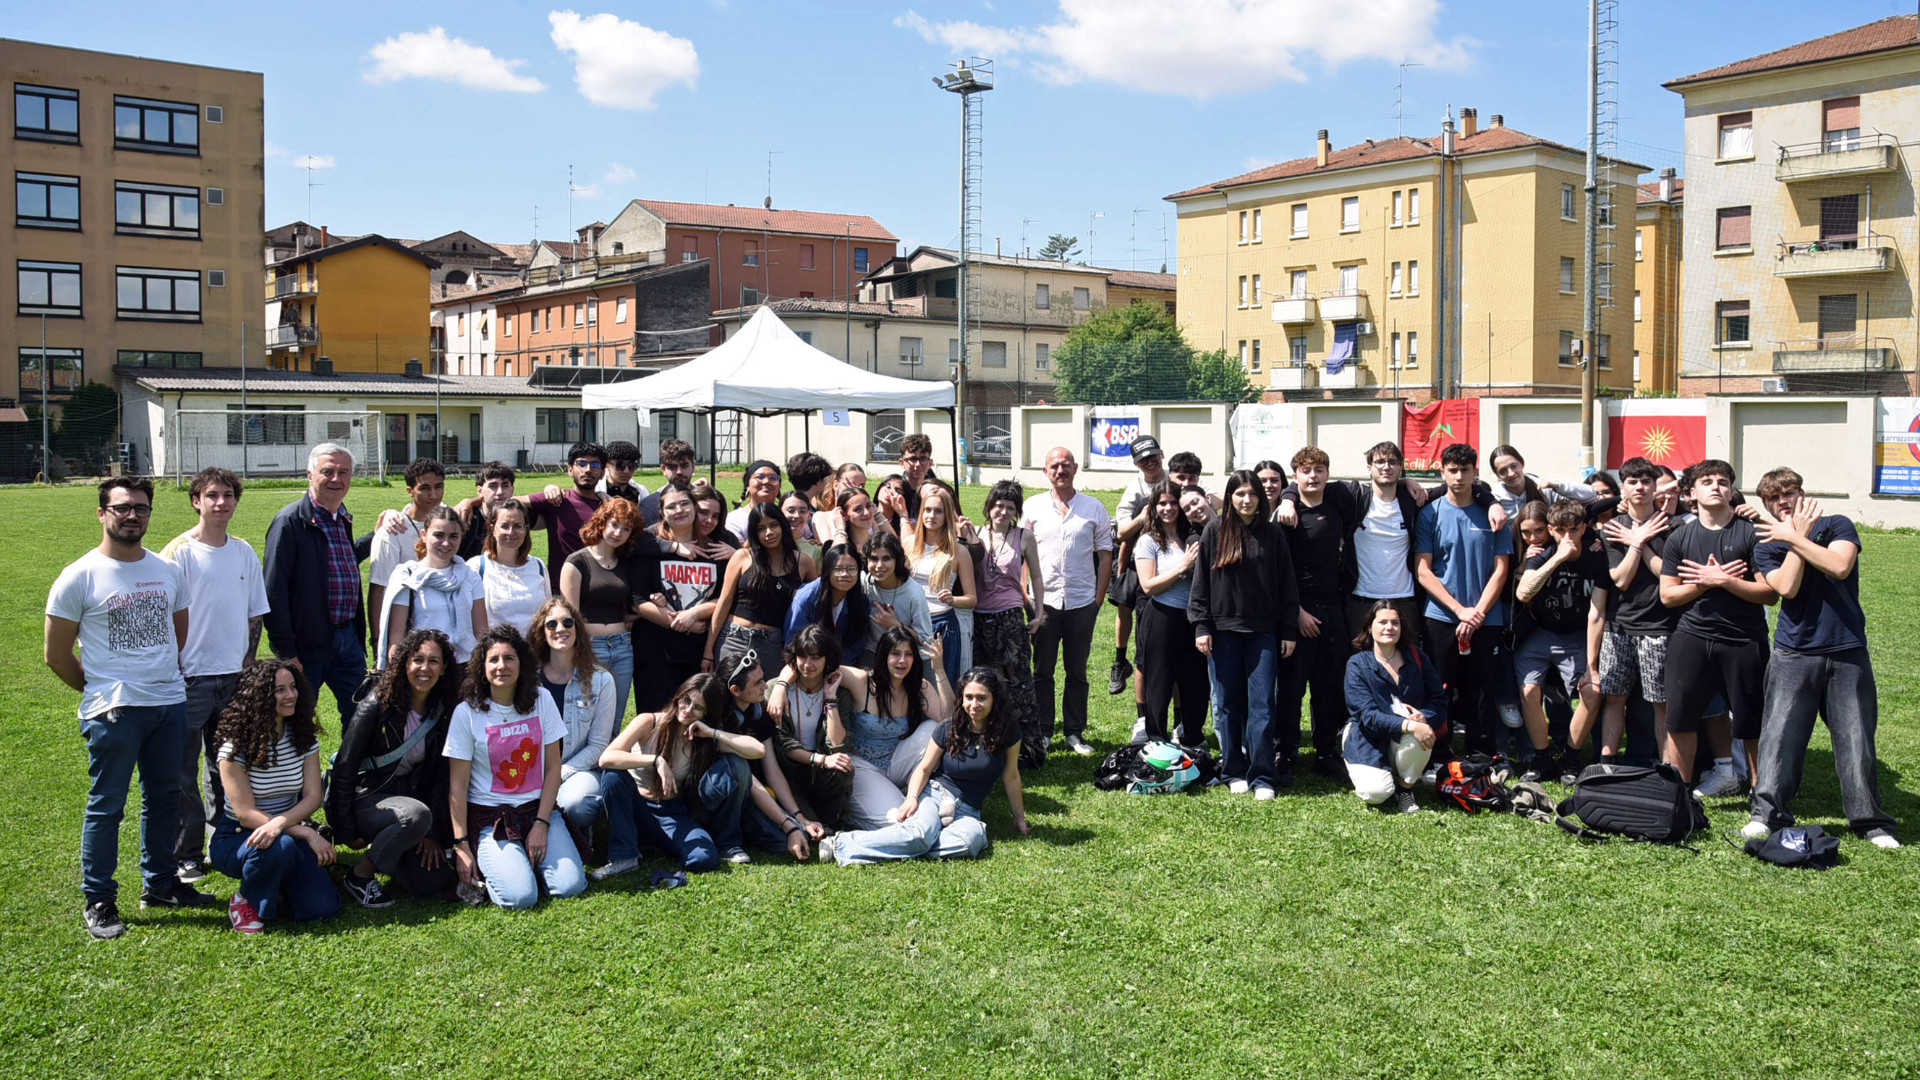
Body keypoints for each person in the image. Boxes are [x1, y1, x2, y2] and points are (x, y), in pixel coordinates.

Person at [47, 476, 217, 939]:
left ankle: (160, 885)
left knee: (165, 800)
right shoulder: (79, 576)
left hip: (169, 703)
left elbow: (176, 635)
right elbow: (56, 655)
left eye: (141, 508)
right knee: (108, 807)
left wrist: (157, 679)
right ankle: (99, 899)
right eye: (121, 508)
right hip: (115, 710)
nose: (132, 515)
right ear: (102, 514)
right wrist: (101, 688)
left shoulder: (166, 571)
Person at [1747, 468, 1898, 848]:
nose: (1785, 501)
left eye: (1791, 492)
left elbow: (1839, 565)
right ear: (1766, 505)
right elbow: (1785, 587)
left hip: (1847, 651)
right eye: (1775, 498)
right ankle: (1767, 814)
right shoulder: (1767, 541)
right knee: (1779, 737)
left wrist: (1796, 537)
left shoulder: (1837, 525)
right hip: (1793, 653)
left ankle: (1869, 821)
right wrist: (1793, 539)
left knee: (1856, 739)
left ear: (1803, 494)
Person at [158, 467, 270, 886]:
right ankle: (186, 854)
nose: (221, 502)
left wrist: (247, 666)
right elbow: (164, 617)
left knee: (226, 765)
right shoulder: (178, 553)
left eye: (228, 495)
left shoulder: (243, 553)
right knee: (183, 771)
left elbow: (254, 614)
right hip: (189, 679)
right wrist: (175, 666)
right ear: (196, 501)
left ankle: (222, 837)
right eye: (212, 495)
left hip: (233, 679)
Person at [819, 668, 1028, 865]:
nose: (974, 704)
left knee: (968, 841)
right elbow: (924, 769)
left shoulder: (1007, 732)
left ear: (994, 700)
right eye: (969, 697)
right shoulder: (949, 727)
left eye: (982, 698)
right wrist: (911, 797)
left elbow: (1011, 776)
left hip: (969, 810)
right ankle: (840, 843)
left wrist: (1019, 818)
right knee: (918, 835)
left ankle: (919, 843)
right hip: (937, 796)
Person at [444, 626, 588, 910]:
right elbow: (457, 787)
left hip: (537, 810)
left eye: (509, 658)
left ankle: (523, 858)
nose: (501, 666)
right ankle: (510, 864)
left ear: (522, 664)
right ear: (482, 667)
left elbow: (553, 768)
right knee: (521, 898)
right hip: (491, 817)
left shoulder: (542, 701)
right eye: (493, 659)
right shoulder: (466, 713)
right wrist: (461, 844)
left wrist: (541, 824)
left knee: (569, 887)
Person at [1658, 460, 1776, 789]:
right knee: (1680, 720)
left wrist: (1724, 580)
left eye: (1723, 481)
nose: (1715, 486)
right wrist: (1704, 584)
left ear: (1732, 490)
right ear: (1691, 492)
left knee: (1751, 722)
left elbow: (1769, 594)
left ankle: (1761, 794)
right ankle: (1678, 794)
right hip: (1691, 638)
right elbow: (1668, 596)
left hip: (1743, 639)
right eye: (1707, 481)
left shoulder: (1752, 533)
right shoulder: (1679, 537)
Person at [326, 628, 461, 907]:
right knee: (414, 816)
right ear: (404, 664)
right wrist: (348, 831)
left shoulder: (444, 709)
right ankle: (360, 876)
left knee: (430, 883)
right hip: (364, 800)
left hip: (406, 802)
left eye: (434, 661)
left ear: (444, 667)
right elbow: (345, 768)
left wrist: (433, 833)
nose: (425, 668)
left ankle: (395, 850)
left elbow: (440, 775)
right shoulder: (376, 703)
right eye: (417, 660)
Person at [1188, 469, 1300, 798]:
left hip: (1263, 633)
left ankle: (1263, 775)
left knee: (1263, 703)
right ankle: (1233, 769)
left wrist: (1289, 629)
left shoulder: (1273, 534)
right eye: (1240, 494)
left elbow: (1287, 586)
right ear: (1230, 497)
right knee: (1227, 704)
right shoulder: (1214, 531)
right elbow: (1201, 586)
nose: (1247, 500)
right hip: (1222, 634)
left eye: (1252, 494)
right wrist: (1202, 626)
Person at [210, 660, 341, 931]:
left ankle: (277, 883)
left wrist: (282, 826)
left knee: (323, 907)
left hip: (286, 830)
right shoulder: (234, 747)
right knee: (280, 847)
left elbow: (313, 796)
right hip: (238, 835)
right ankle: (245, 899)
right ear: (260, 697)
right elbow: (245, 814)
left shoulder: (303, 736)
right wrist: (305, 833)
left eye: (293, 687)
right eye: (279, 690)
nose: (290, 695)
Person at [593, 673, 766, 878]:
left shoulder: (701, 738)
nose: (688, 710)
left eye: (698, 708)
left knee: (704, 859)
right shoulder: (648, 722)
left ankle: (655, 843)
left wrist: (713, 733)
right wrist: (656, 760)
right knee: (613, 776)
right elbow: (606, 758)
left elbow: (758, 750)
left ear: (706, 713)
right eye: (686, 701)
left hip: (671, 814)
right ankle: (625, 857)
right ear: (679, 696)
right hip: (637, 807)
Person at [263, 442, 378, 720]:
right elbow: (273, 591)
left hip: (348, 640)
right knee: (295, 719)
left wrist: (378, 534)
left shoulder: (341, 518)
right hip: (306, 644)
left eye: (344, 472)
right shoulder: (290, 521)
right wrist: (287, 651)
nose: (336, 479)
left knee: (363, 715)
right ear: (309, 475)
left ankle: (347, 766)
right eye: (328, 471)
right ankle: (297, 766)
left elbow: (343, 557)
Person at [1415, 443, 1512, 761]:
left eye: (1465, 470)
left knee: (1483, 688)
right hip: (1441, 616)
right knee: (1441, 686)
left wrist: (1477, 613)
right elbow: (1423, 570)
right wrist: (1459, 611)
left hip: (1487, 618)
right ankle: (1440, 752)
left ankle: (1481, 752)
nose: (1459, 476)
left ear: (1475, 473)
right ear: (1442, 472)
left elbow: (1501, 569)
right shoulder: (1430, 512)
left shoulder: (1494, 514)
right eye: (1452, 470)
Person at [1023, 447, 1114, 757]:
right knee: (1042, 670)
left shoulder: (1094, 508)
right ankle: (1044, 730)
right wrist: (1025, 593)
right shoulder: (1032, 507)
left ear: (1075, 468)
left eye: (1065, 465)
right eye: (1054, 466)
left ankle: (1075, 732)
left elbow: (1105, 555)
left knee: (1077, 671)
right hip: (1043, 603)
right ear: (1045, 471)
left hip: (1081, 601)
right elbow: (1023, 553)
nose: (1060, 471)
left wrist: (1098, 599)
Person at [1513, 500, 1609, 782]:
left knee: (1592, 692)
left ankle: (1570, 757)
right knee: (1529, 691)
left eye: (1573, 530)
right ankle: (1542, 758)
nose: (1567, 537)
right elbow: (1523, 593)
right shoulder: (1543, 555)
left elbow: (1597, 613)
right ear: (1552, 530)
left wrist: (1592, 666)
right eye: (1560, 530)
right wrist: (1557, 558)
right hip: (1542, 633)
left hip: (1578, 635)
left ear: (1584, 528)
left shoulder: (1596, 557)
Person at [1274, 446, 1351, 784]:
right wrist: (1297, 615)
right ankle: (1286, 750)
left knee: (1328, 686)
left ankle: (1325, 751)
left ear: (1327, 474)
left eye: (1319, 470)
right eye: (1306, 471)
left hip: (1333, 608)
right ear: (1296, 476)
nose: (1313, 476)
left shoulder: (1337, 506)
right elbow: (1279, 574)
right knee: (1291, 689)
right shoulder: (1285, 517)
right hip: (1297, 610)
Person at [1596, 456, 1675, 764]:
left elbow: (1668, 575)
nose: (1640, 487)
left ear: (1655, 487)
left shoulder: (1673, 526)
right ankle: (1607, 765)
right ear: (1623, 488)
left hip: (1661, 627)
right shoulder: (1613, 528)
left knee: (1661, 703)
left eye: (1646, 481)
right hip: (1619, 627)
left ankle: (1668, 770)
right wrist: (1638, 541)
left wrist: (1639, 539)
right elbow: (1621, 579)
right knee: (1614, 698)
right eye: (1632, 481)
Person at [1341, 601, 1443, 814]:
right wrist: (1410, 725)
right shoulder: (1357, 664)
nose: (1389, 628)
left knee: (1420, 733)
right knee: (1376, 794)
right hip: (1367, 736)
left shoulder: (1416, 656)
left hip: (1407, 735)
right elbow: (1367, 715)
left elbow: (1439, 699)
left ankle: (1406, 789)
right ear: (1370, 626)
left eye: (1395, 623)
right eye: (1383, 622)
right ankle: (1381, 772)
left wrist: (1424, 716)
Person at [528, 596, 618, 835]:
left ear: (577, 629)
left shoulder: (601, 680)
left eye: (568, 623)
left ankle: (578, 833)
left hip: (579, 768)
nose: (560, 629)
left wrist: (560, 774)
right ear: (541, 632)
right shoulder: (527, 681)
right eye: (551, 624)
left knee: (577, 804)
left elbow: (599, 745)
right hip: (532, 768)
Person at [632, 481, 724, 713]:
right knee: (657, 722)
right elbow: (637, 602)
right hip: (655, 654)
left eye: (685, 503)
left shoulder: (714, 550)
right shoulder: (650, 547)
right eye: (671, 506)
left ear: (694, 507)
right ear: (662, 513)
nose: (679, 510)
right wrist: (679, 622)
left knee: (694, 723)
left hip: (698, 654)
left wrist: (693, 614)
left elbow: (724, 598)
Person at [973, 480, 1047, 768]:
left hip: (1010, 617)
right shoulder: (976, 534)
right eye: (998, 505)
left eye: (1010, 508)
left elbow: (1037, 577)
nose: (1002, 512)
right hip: (979, 618)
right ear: (989, 506)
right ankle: (987, 746)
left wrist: (1038, 613)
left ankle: (1030, 749)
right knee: (983, 683)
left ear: (1017, 512)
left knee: (1020, 685)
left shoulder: (1024, 537)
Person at [761, 625, 859, 828]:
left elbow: (838, 745)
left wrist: (830, 698)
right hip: (788, 771)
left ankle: (829, 822)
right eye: (802, 656)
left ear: (827, 659)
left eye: (815, 658)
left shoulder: (841, 694)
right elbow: (782, 743)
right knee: (807, 823)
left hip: (821, 771)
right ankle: (811, 821)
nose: (807, 664)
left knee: (842, 767)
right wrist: (821, 759)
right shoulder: (775, 689)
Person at [1134, 480, 1208, 749]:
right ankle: (1156, 739)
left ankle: (1193, 737)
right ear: (1153, 507)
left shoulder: (1194, 535)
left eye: (1173, 502)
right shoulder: (1148, 541)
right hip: (1162, 617)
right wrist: (1183, 566)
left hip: (1194, 620)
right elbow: (1148, 585)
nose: (1168, 508)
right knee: (1159, 682)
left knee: (1196, 683)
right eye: (1162, 503)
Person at [560, 498, 647, 717]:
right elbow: (571, 616)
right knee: (586, 715)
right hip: (590, 647)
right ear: (602, 523)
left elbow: (628, 606)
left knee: (615, 716)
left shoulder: (626, 564)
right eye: (614, 524)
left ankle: (612, 752)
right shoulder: (576, 562)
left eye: (626, 529)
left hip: (622, 648)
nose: (618, 532)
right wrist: (578, 652)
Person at [708, 502, 815, 672]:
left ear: (783, 525)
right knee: (724, 695)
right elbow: (724, 602)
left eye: (774, 525)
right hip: (733, 638)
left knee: (765, 696)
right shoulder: (742, 556)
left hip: (772, 645)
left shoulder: (804, 563)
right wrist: (708, 651)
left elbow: (812, 606)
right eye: (761, 528)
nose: (769, 533)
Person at [377, 506, 487, 668]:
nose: (446, 543)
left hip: (463, 667)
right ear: (424, 535)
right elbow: (396, 638)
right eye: (438, 535)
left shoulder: (470, 577)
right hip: (422, 668)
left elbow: (481, 633)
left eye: (453, 536)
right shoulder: (407, 576)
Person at [1107, 435, 1168, 700]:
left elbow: (1212, 498)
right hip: (1137, 556)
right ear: (1136, 464)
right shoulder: (1135, 489)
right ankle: (1121, 660)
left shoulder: (1176, 479)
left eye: (1153, 456)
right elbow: (1121, 532)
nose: (1150, 463)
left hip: (1170, 557)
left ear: (1162, 454)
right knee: (1124, 599)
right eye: (1143, 460)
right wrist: (1144, 516)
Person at [366, 458, 449, 644]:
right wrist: (378, 639)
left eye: (439, 487)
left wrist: (470, 501)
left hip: (445, 626)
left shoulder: (450, 520)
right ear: (410, 491)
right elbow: (379, 587)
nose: (434, 495)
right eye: (425, 488)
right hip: (405, 628)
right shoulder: (392, 532)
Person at [903, 483, 976, 687]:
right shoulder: (909, 544)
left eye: (938, 511)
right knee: (912, 683)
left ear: (947, 515)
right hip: (912, 623)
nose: (931, 516)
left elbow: (971, 599)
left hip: (942, 624)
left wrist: (953, 599)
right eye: (927, 510)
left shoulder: (958, 551)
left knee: (943, 684)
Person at [526, 441, 610, 588]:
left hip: (601, 590)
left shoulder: (609, 506)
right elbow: (508, 502)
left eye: (595, 465)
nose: (588, 469)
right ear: (570, 469)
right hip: (563, 589)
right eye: (581, 464)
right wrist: (473, 502)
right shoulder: (557, 500)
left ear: (603, 472)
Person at [466, 497, 550, 638]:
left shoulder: (538, 567)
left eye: (517, 526)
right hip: (496, 654)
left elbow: (547, 615)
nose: (511, 532)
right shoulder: (476, 567)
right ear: (492, 528)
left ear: (526, 529)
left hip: (533, 655)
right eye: (505, 526)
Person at [785, 541, 871, 657]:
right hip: (806, 662)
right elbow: (793, 641)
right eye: (837, 568)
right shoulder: (807, 597)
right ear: (827, 570)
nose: (845, 574)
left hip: (840, 665)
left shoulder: (861, 601)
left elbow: (855, 645)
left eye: (851, 569)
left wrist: (839, 669)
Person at [454, 460, 517, 562]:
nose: (500, 492)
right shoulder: (464, 515)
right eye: (493, 486)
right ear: (479, 490)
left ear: (512, 490)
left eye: (505, 485)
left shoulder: (520, 516)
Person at [637, 438, 697, 528]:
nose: (679, 472)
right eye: (672, 467)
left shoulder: (706, 499)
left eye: (684, 465)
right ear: (664, 469)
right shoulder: (650, 504)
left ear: (693, 466)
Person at [725, 459, 784, 542]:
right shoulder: (734, 519)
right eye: (759, 477)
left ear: (779, 487)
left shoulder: (787, 515)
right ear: (747, 486)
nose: (766, 481)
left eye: (773, 478)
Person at [596, 441, 648, 505]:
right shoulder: (596, 491)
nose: (626, 471)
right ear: (607, 466)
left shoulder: (641, 492)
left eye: (631, 465)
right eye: (620, 465)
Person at [782, 488, 821, 568]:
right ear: (779, 512)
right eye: (791, 510)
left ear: (809, 515)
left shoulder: (815, 549)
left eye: (802, 511)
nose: (796, 515)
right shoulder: (770, 543)